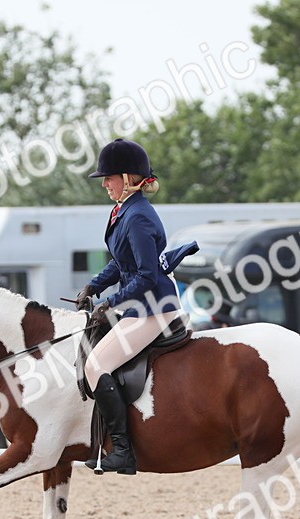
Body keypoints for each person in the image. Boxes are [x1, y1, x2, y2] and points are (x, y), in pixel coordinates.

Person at [73, 138, 180, 475]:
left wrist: (110, 302)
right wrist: (95, 284)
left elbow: (146, 276)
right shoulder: (125, 210)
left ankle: (123, 450)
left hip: (154, 308)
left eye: (109, 178)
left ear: (129, 178)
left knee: (95, 366)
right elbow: (122, 264)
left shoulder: (137, 218)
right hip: (141, 306)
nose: (104, 184)